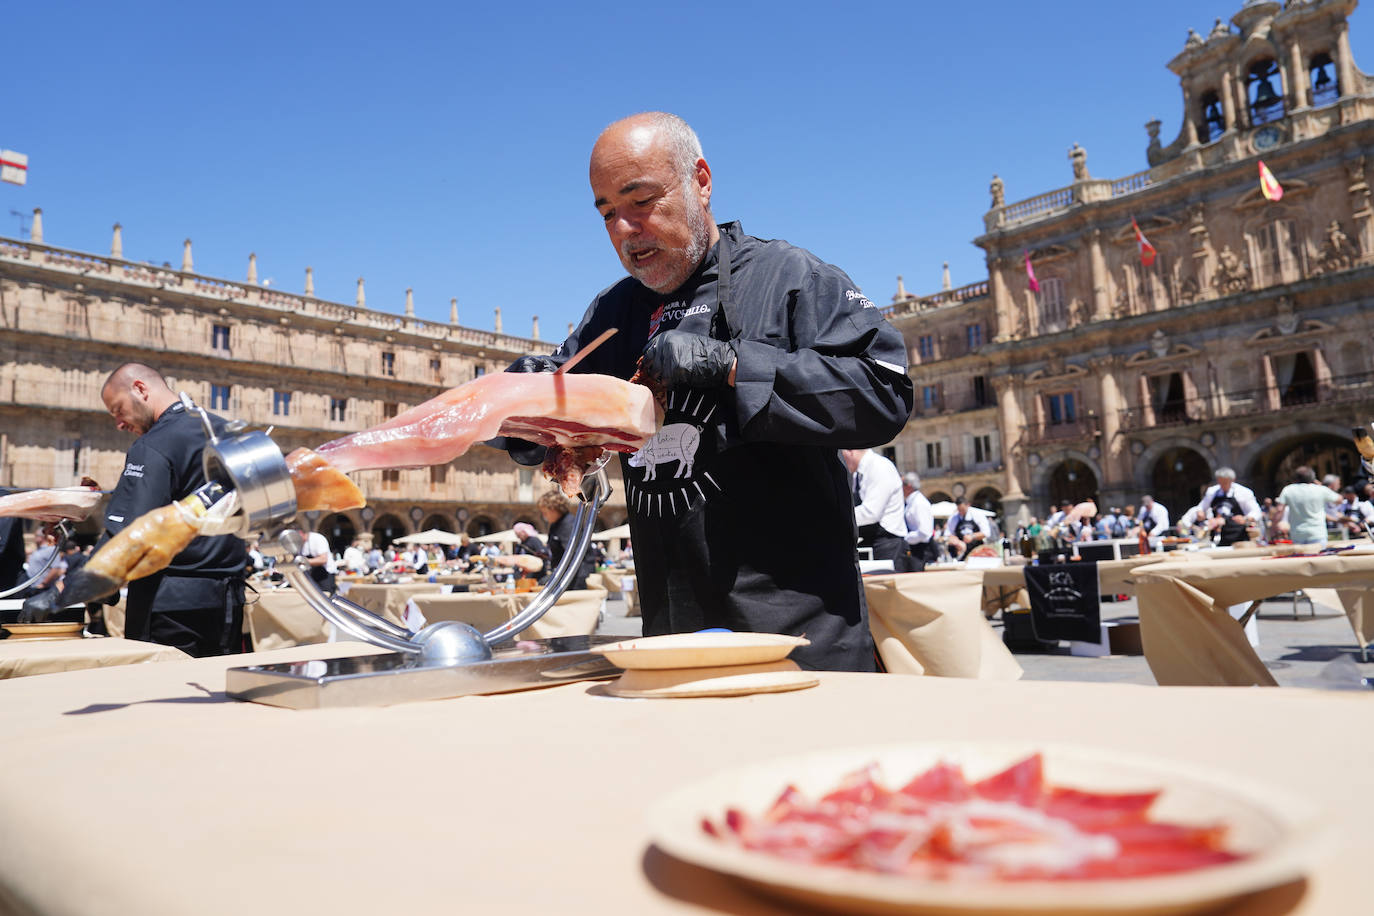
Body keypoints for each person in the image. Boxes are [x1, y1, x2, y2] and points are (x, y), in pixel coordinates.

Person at [493, 112, 911, 671]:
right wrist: (525, 412)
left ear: (701, 181)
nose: (624, 229)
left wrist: (734, 364)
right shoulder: (614, 314)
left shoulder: (789, 277)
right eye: (608, 213)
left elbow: (884, 391)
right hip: (671, 638)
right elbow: (557, 406)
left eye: (640, 200)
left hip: (799, 642)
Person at [97, 363, 247, 656]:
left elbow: (129, 532)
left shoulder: (153, 444)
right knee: (220, 696)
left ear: (140, 389)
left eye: (118, 409)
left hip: (168, 608)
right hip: (228, 604)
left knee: (161, 697)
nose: (119, 423)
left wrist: (64, 592)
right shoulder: (223, 429)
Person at [841, 449, 907, 567]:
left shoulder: (879, 466)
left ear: (850, 451)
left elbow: (871, 513)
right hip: (872, 540)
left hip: (887, 544)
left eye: (841, 454)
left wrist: (838, 517)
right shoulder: (858, 474)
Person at [537, 488, 597, 588]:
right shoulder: (555, 525)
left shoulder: (569, 524)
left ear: (553, 509)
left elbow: (573, 554)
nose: (543, 516)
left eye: (544, 512)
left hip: (577, 576)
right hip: (566, 573)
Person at [1276, 466, 1342, 546]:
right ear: (1312, 478)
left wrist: (1274, 527)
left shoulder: (1288, 489)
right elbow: (1339, 499)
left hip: (1297, 535)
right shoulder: (1320, 489)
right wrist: (1320, 484)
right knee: (1319, 557)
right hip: (1317, 533)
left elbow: (1279, 510)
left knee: (1300, 558)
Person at [1197, 467, 1261, 546]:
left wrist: (1246, 518)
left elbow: (1256, 511)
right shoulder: (1212, 491)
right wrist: (1200, 512)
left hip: (1238, 534)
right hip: (1218, 535)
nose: (1222, 485)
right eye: (1220, 482)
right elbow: (1201, 507)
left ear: (1232, 480)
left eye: (1225, 482)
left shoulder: (1243, 492)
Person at [899, 472, 934, 572]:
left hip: (920, 551)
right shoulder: (912, 502)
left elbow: (924, 532)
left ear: (908, 486)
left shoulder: (919, 503)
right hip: (914, 549)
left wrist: (905, 539)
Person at [296, 527, 337, 593]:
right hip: (312, 575)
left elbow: (323, 559)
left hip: (326, 575)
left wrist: (304, 561)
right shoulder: (299, 544)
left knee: (327, 597)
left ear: (300, 533)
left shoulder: (317, 538)